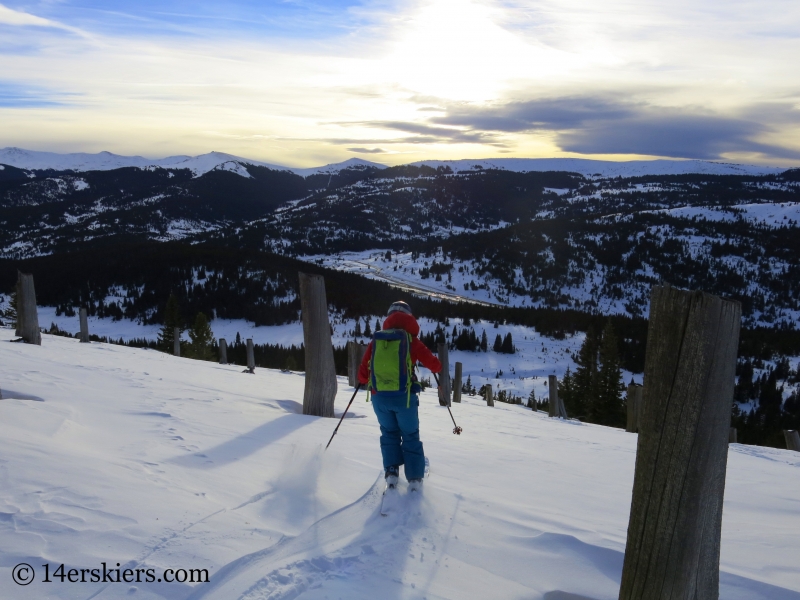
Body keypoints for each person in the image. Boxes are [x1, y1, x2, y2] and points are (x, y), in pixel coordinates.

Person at [358, 301, 442, 490]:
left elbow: (362, 374)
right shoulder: (412, 340)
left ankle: (391, 473)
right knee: (410, 434)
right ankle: (414, 478)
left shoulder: (377, 341)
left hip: (379, 398)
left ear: (388, 317)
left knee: (389, 433)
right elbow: (436, 366)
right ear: (410, 317)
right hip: (404, 398)